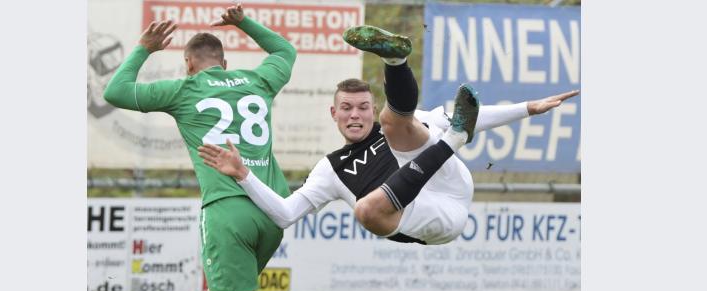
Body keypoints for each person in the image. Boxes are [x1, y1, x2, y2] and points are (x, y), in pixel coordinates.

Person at [103, 4, 315, 291]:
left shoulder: (184, 89)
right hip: (271, 210)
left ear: (188, 64)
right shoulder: (257, 81)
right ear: (226, 62)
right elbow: (286, 52)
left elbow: (116, 92)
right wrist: (244, 22)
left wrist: (143, 49)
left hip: (227, 210)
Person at [199, 25, 580, 245]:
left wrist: (529, 108)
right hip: (435, 218)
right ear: (334, 114)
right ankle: (454, 139)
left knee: (396, 123)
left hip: (449, 182)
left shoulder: (386, 124)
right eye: (346, 108)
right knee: (366, 210)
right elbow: (284, 215)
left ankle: (395, 59)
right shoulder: (331, 169)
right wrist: (243, 175)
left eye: (362, 107)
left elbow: (471, 117)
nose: (355, 115)